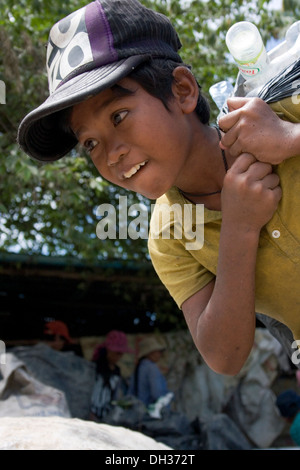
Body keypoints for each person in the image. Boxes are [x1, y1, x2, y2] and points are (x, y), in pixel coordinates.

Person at [17, 0, 300, 376]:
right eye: (90, 144)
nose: (111, 154)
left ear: (182, 90)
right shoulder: (170, 236)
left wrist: (291, 139)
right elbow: (224, 355)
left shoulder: (279, 114)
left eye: (119, 116)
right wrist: (239, 228)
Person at [90, 330, 133, 421]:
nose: (119, 356)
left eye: (121, 354)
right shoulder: (95, 367)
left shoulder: (117, 370)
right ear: (108, 350)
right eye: (117, 353)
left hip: (107, 415)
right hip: (91, 413)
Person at [128, 336, 169, 407]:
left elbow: (130, 392)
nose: (160, 354)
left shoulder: (139, 367)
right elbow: (157, 394)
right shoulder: (152, 368)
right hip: (150, 411)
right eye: (158, 352)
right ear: (150, 353)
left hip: (137, 410)